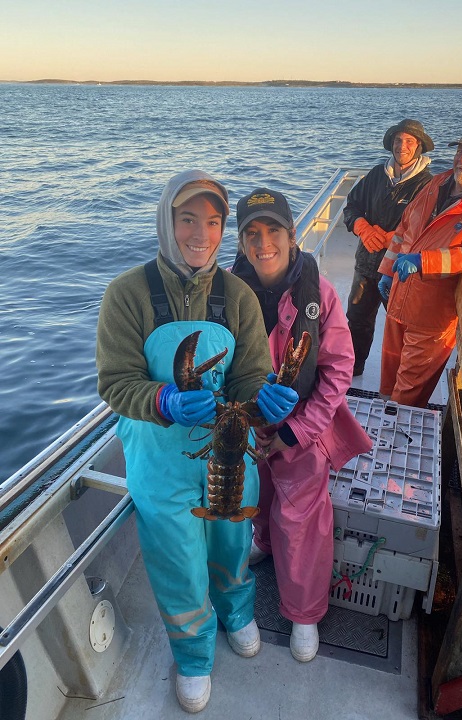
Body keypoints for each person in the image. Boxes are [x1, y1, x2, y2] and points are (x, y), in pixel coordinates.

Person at [96, 171, 299, 713]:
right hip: (159, 461)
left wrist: (266, 399)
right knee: (176, 559)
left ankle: (237, 612)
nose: (201, 233)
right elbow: (115, 383)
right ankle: (192, 653)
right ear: (167, 221)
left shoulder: (237, 295)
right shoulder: (127, 294)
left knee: (234, 545)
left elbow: (251, 375)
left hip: (231, 453)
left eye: (213, 221)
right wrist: (162, 400)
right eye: (188, 219)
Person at [231, 188, 372, 663]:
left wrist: (293, 432)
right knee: (257, 500)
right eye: (252, 233)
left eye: (273, 231)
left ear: (292, 236)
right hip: (250, 428)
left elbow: (336, 373)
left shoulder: (321, 296)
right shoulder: (228, 296)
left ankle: (305, 612)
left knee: (301, 519)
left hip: (301, 432)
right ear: (241, 240)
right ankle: (262, 543)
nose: (262, 242)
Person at [377, 125, 462, 408]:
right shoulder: (437, 183)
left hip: (433, 315)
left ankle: (399, 432)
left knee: (408, 393)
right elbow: (405, 227)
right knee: (388, 378)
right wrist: (387, 270)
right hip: (398, 300)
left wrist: (424, 261)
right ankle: (381, 421)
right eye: (460, 149)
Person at [343, 119, 434, 376]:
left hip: (400, 269)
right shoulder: (375, 175)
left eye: (408, 141)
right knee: (357, 318)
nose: (401, 146)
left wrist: (393, 238)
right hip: (366, 263)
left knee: (401, 326)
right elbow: (351, 206)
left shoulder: (428, 185)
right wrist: (362, 227)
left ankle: (402, 379)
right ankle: (352, 369)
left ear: (419, 147)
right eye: (397, 140)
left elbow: (431, 227)